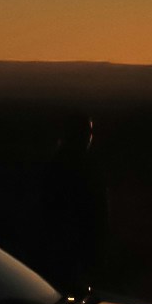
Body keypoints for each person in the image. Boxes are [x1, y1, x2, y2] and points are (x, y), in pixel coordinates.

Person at [37, 112, 106, 293]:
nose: (89, 138)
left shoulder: (56, 166)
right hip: (70, 240)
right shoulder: (84, 169)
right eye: (86, 132)